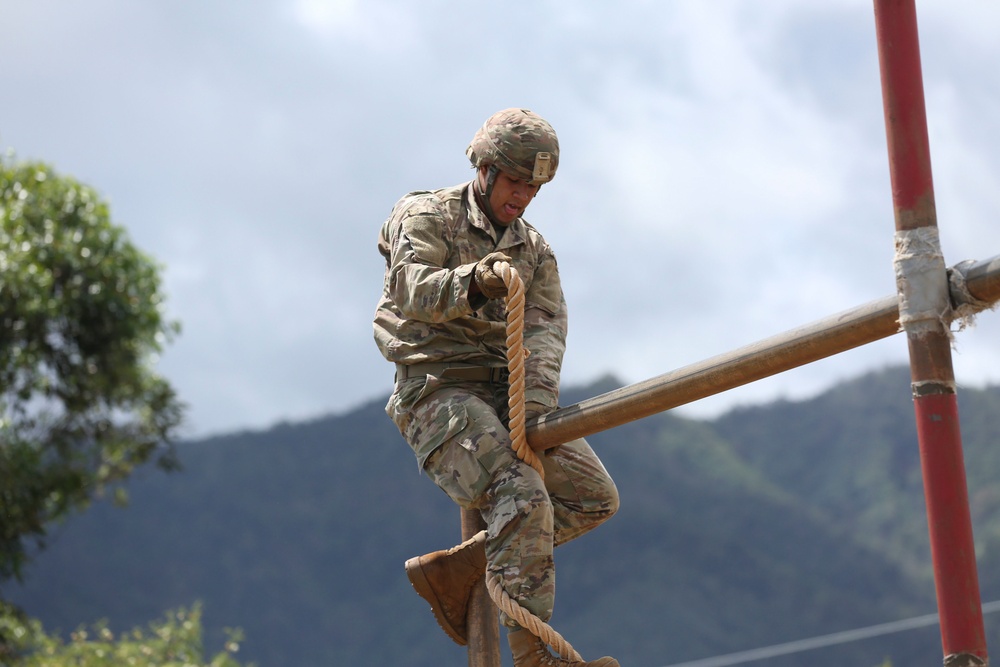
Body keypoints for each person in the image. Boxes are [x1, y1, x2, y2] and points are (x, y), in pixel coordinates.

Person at [373, 107, 621, 667]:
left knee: (592, 499)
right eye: (515, 182)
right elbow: (412, 289)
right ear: (484, 169)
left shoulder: (533, 251)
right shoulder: (425, 215)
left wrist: (534, 411)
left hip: (502, 393)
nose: (523, 197)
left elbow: (545, 329)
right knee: (523, 495)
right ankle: (534, 658)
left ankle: (459, 569)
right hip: (435, 390)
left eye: (533, 187)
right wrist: (477, 280)